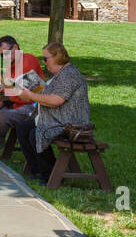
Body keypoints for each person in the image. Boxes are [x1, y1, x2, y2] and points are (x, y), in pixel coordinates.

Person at [13, 41, 91, 184]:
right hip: (57, 119)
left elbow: (56, 100)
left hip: (72, 122)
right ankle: (37, 170)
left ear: (57, 57)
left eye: (45, 59)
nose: (43, 62)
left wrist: (30, 95)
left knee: (36, 132)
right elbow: (46, 95)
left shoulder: (69, 75)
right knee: (23, 128)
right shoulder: (59, 75)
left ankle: (50, 174)